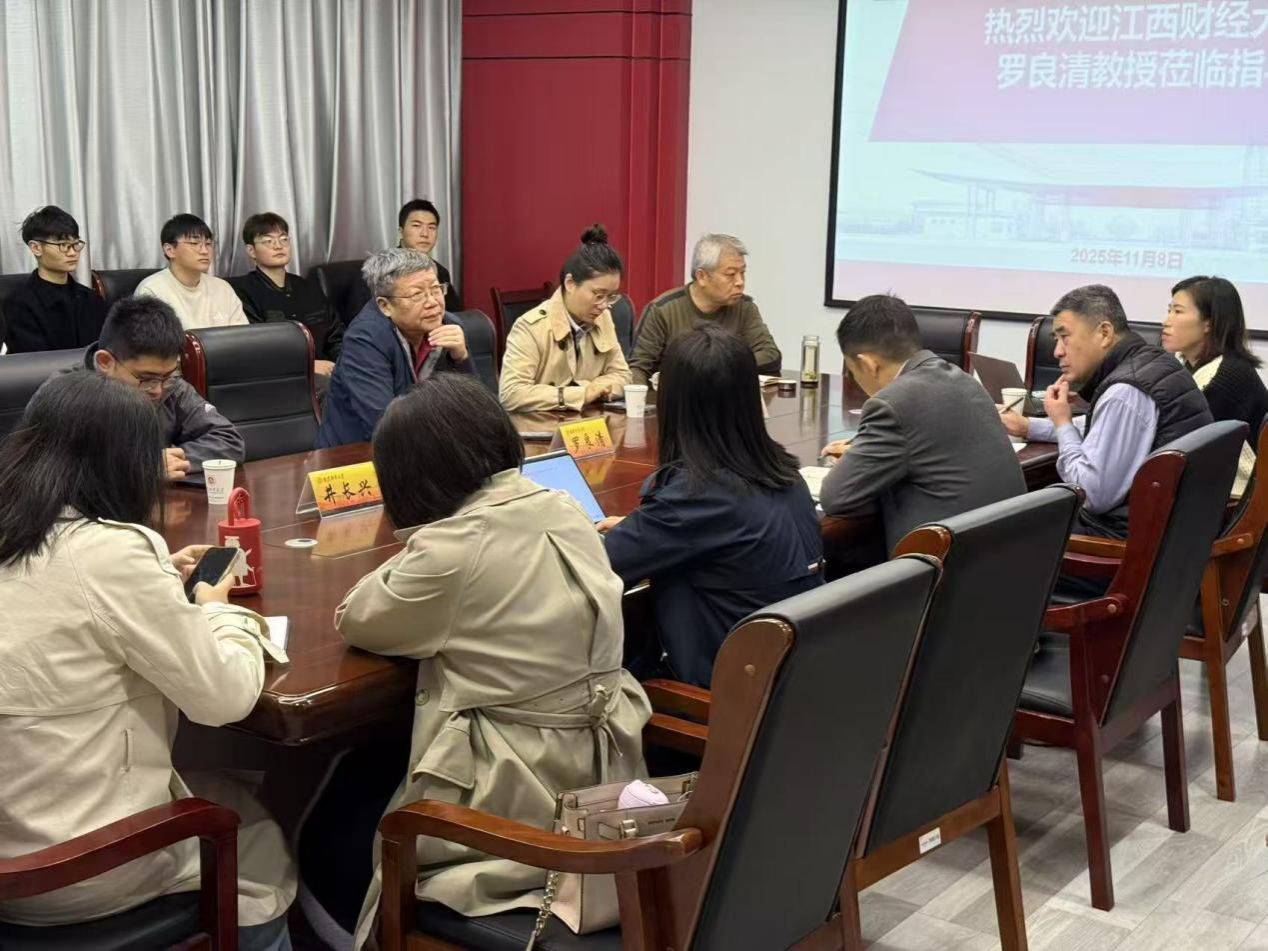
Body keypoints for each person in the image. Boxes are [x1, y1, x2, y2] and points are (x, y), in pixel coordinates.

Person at [310, 374, 649, 948]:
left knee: (332, 829)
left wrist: (424, 537)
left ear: (410, 477)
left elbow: (358, 616)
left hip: (513, 803)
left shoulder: (453, 546)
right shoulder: (563, 505)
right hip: (604, 784)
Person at [0, 371, 295, 950]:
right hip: (78, 872)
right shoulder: (110, 551)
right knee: (260, 828)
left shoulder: (22, 533)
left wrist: (157, 581)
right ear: (126, 465)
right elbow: (225, 697)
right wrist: (216, 607)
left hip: (12, 851)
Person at [601, 325, 823, 687]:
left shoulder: (695, 498)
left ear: (674, 404)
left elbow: (594, 566)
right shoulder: (784, 473)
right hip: (789, 684)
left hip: (720, 698)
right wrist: (643, 528)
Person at [819, 294, 1026, 558]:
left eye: (852, 371)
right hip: (1002, 558)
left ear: (869, 364)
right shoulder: (965, 381)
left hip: (944, 569)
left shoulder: (891, 403)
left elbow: (836, 497)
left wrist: (865, 465)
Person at [1001, 284, 1211, 537]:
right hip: (1173, 530)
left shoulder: (1125, 392)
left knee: (1000, 529)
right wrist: (1030, 427)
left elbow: (1090, 494)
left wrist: (1064, 425)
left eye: (1065, 337)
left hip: (1123, 541)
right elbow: (1103, 428)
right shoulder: (1151, 362)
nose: (1057, 351)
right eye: (1056, 340)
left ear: (1104, 333)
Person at [317, 248, 472, 448]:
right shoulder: (364, 340)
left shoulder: (449, 326)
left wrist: (461, 358)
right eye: (417, 295)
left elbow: (472, 409)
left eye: (436, 289)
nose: (433, 302)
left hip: (425, 445)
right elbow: (382, 423)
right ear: (385, 306)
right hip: (357, 453)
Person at [88, 295, 245, 479]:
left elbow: (229, 441)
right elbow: (66, 471)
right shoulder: (66, 397)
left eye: (167, 376)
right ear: (105, 362)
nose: (158, 390)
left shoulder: (172, 386)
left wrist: (167, 461)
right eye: (146, 379)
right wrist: (139, 467)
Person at [499, 224, 632, 411]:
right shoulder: (530, 327)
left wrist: (597, 388)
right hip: (544, 426)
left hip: (591, 422)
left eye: (611, 297)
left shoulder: (603, 317)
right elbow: (511, 393)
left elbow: (623, 375)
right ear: (570, 283)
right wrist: (580, 394)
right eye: (598, 295)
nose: (604, 305)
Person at [628, 233, 781, 385]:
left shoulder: (744, 307)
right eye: (731, 274)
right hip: (676, 395)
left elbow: (770, 354)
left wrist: (722, 366)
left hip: (728, 395)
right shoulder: (662, 311)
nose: (740, 282)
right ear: (701, 277)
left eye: (742, 273)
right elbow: (638, 367)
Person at [1163, 276, 1267, 495]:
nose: (1166, 321)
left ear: (1209, 323)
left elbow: (1184, 444)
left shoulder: (1225, 377)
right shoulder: (1187, 366)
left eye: (1178, 312)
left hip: (1240, 499)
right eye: (1169, 310)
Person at [229, 212, 345, 378]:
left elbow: (335, 335)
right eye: (268, 241)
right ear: (251, 250)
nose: (278, 246)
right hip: (280, 375)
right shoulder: (242, 291)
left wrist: (343, 365)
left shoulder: (308, 287)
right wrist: (307, 365)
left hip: (330, 371)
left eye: (284, 239)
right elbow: (256, 347)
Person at [3, 205, 107, 353]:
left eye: (75, 244)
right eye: (63, 245)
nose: (73, 253)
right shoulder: (18, 305)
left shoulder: (91, 299)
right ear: (36, 248)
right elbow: (32, 361)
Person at [136, 214, 248, 329]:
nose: (204, 251)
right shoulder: (152, 291)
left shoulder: (223, 288)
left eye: (208, 244)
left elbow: (242, 336)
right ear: (170, 250)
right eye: (194, 243)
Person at [397, 198, 462, 312]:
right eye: (416, 226)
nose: (425, 234)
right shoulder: (383, 270)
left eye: (431, 227)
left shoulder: (440, 272)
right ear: (401, 232)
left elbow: (455, 314)